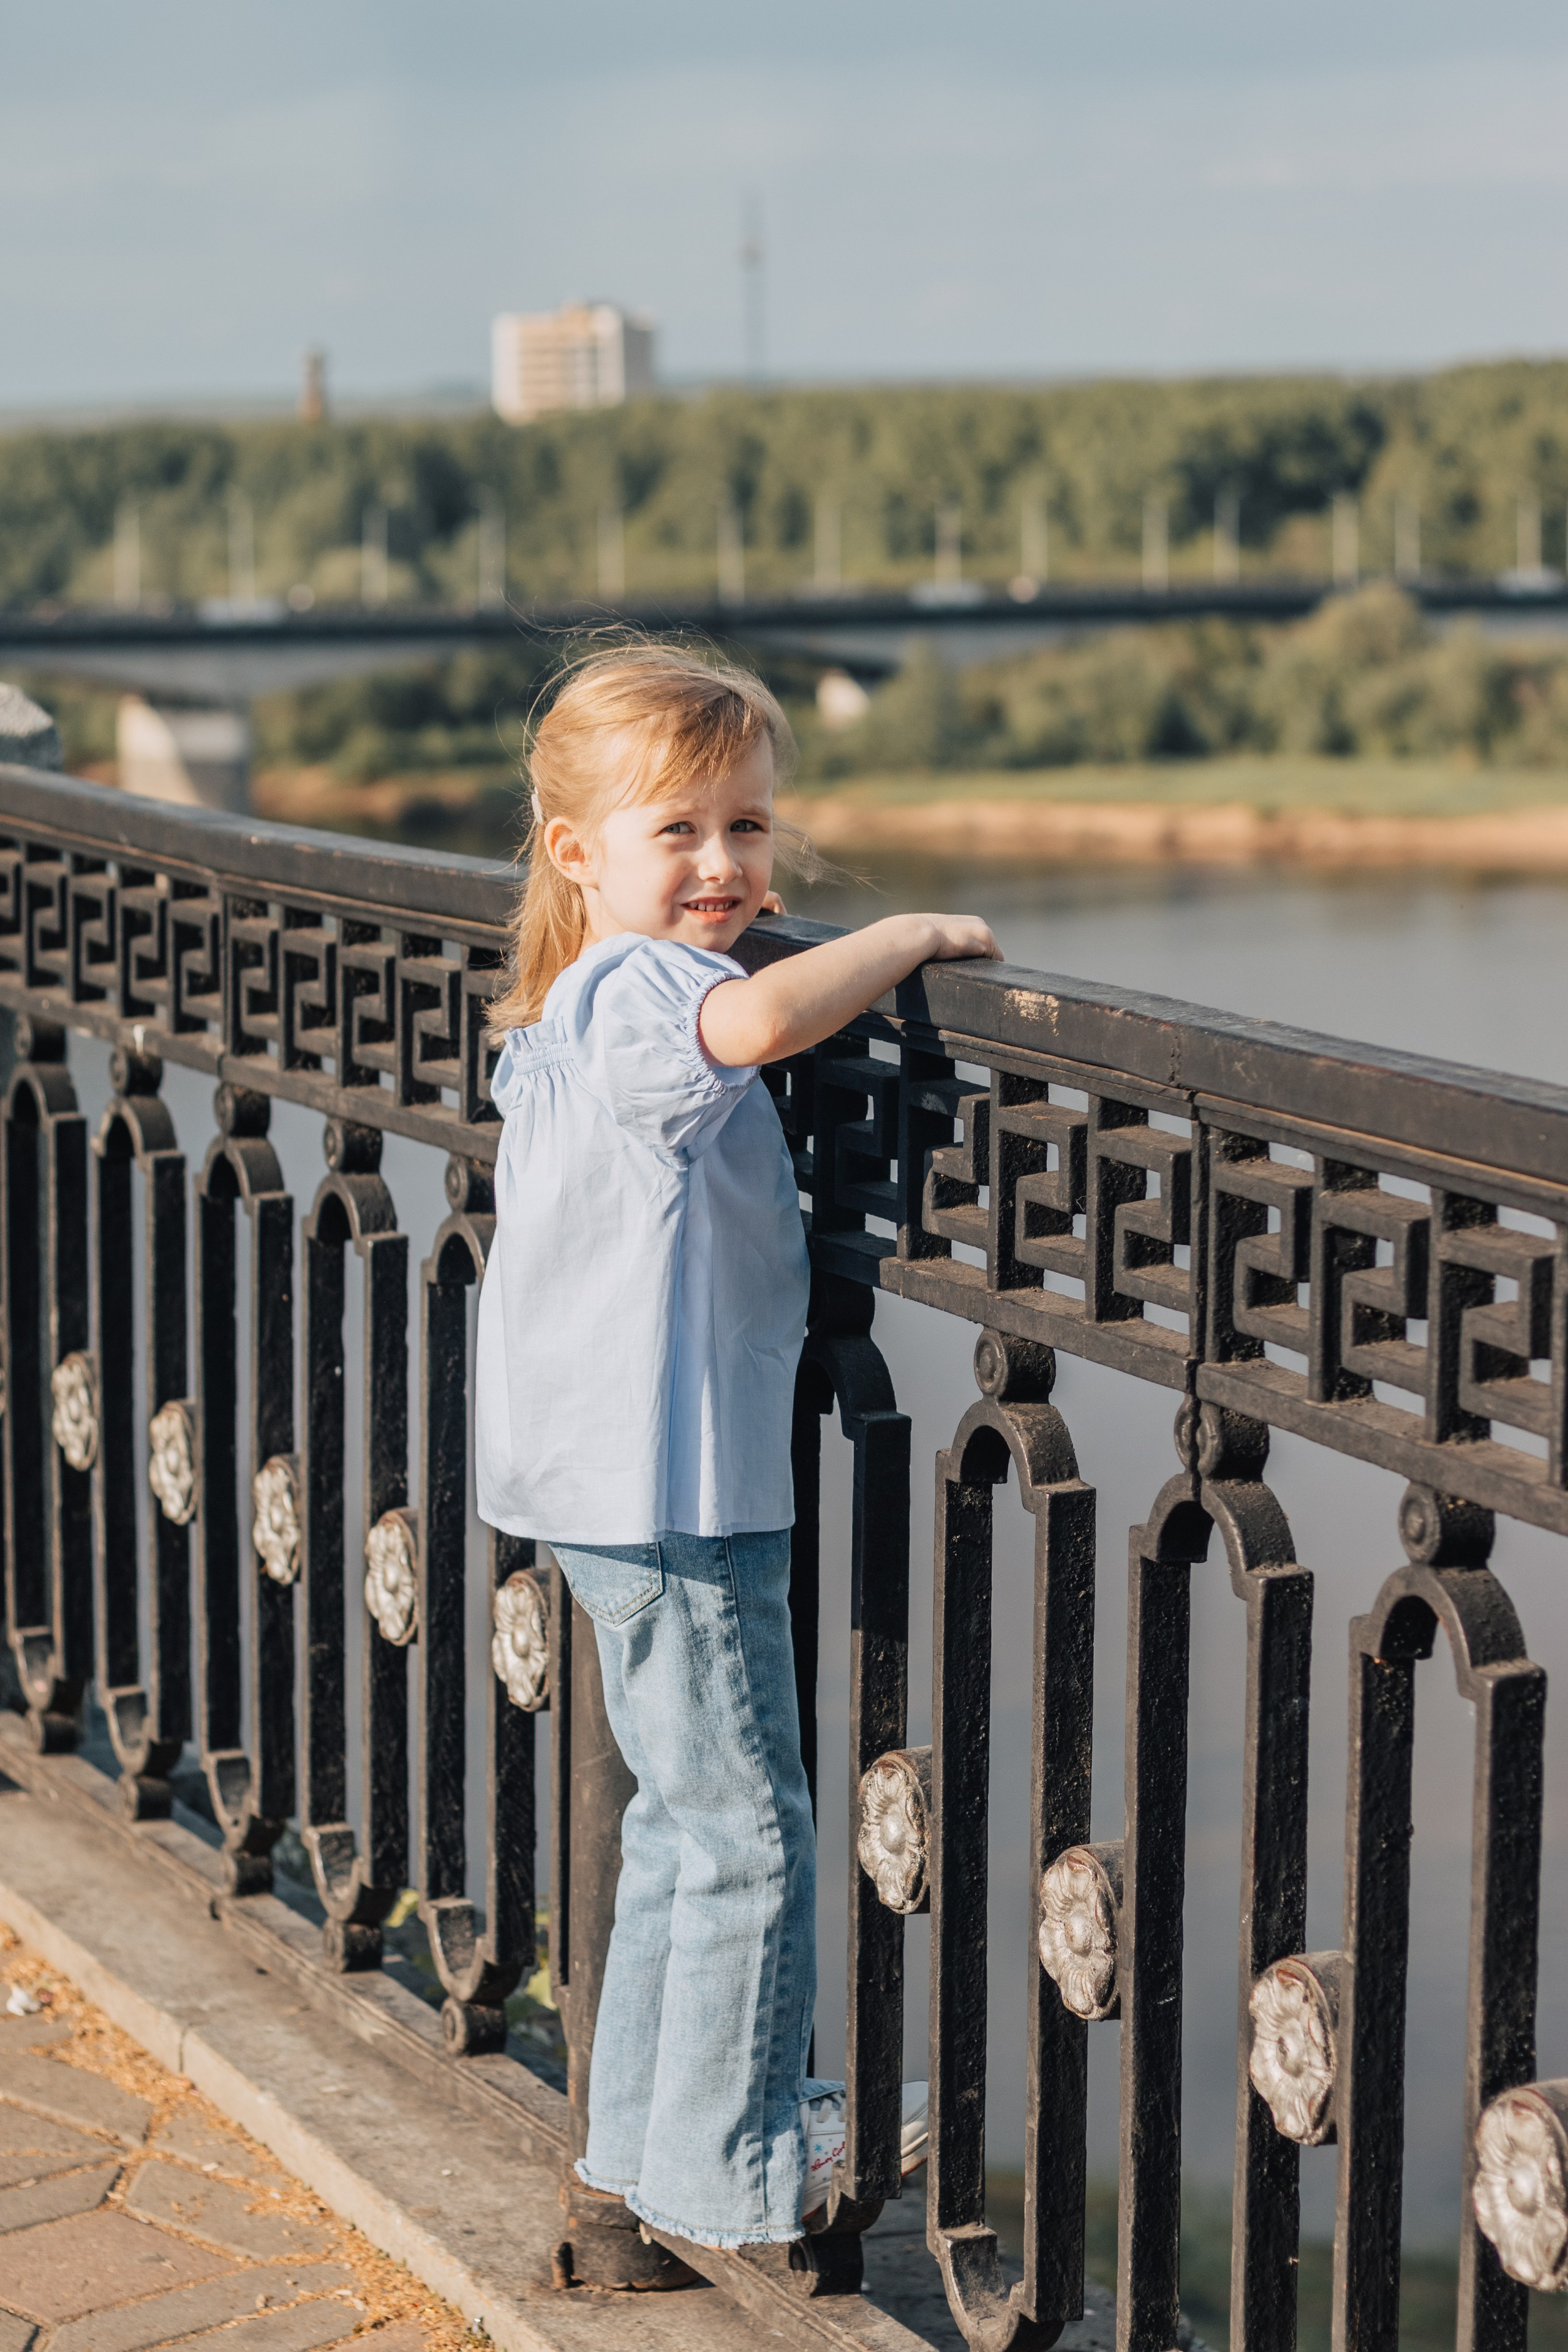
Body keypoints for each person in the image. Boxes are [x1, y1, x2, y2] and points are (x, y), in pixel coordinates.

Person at [476, 645, 1001, 2253]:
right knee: (751, 1829)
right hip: (676, 1486)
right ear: (579, 853)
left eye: (749, 830)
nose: (725, 869)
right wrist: (904, 935)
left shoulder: (560, 1005)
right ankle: (739, 2168)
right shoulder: (647, 990)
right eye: (681, 834)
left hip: (595, 1489)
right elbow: (762, 1016)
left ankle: (637, 2146)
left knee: (679, 1821)